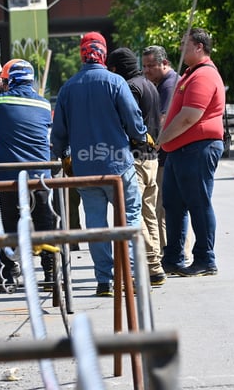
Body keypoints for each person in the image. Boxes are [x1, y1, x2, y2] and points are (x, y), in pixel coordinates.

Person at [51, 32, 147, 297]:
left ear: (81, 54)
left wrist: (60, 155)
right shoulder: (115, 82)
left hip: (85, 168)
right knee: (128, 219)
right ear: (103, 53)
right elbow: (133, 119)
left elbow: (58, 132)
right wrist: (140, 135)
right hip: (118, 165)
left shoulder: (68, 88)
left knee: (95, 224)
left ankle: (104, 281)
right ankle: (129, 277)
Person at [0, 59, 56, 290]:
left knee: (8, 227)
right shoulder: (45, 105)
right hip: (41, 177)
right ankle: (51, 275)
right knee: (45, 226)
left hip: (9, 177)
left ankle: (8, 276)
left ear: (9, 80)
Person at [157, 28, 225, 277]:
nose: (181, 49)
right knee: (173, 205)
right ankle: (173, 257)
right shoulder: (190, 74)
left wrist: (162, 138)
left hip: (197, 148)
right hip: (179, 150)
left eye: (185, 44)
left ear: (199, 47)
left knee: (198, 203)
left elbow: (190, 117)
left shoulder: (204, 75)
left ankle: (205, 258)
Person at [106, 47, 166, 287]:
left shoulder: (130, 88)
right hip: (152, 158)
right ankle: (156, 263)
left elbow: (127, 122)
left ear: (117, 68)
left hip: (137, 159)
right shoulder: (149, 84)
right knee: (149, 213)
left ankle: (152, 264)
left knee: (135, 213)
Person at [141, 45, 180, 257]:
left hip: (166, 155)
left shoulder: (168, 85)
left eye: (151, 66)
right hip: (166, 155)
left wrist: (148, 143)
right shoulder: (161, 84)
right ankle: (173, 251)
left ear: (164, 63)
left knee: (163, 209)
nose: (147, 71)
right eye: (144, 66)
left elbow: (162, 121)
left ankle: (169, 252)